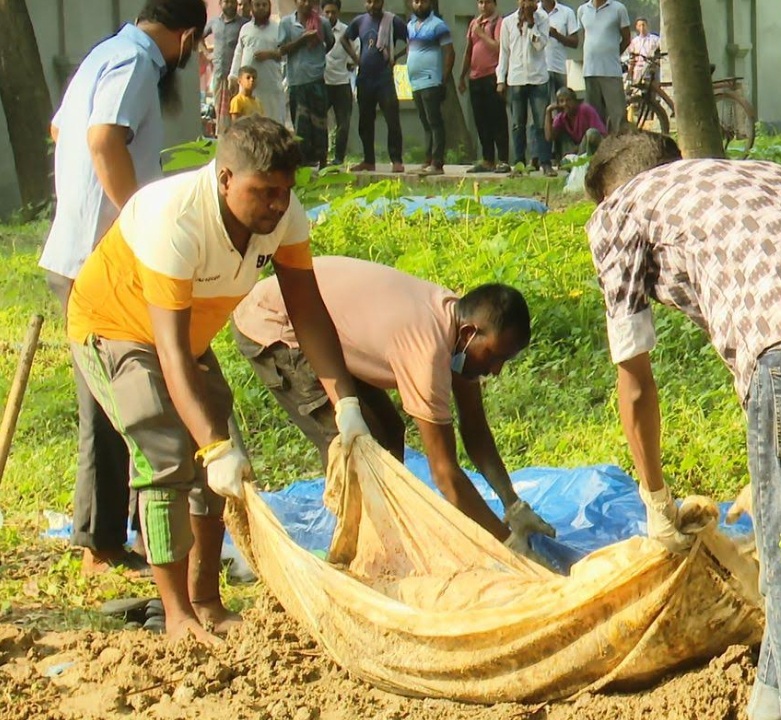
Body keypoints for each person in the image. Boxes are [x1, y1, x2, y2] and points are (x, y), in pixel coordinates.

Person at [584, 132, 781, 720]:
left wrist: (655, 499)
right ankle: (768, 708)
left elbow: (633, 379)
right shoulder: (765, 175)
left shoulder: (621, 209)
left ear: (611, 189)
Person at [67, 117, 370, 644]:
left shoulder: (283, 217)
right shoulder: (175, 217)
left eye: (284, 193)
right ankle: (176, 615)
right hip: (114, 328)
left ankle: (205, 598)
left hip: (187, 339)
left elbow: (308, 310)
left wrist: (344, 400)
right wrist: (209, 445)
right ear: (225, 177)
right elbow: (167, 351)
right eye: (264, 192)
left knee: (227, 462)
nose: (277, 206)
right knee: (167, 456)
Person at [231, 256, 557, 565]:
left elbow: (475, 431)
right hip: (277, 323)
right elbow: (446, 475)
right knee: (351, 447)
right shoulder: (427, 349)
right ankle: (355, 558)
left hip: (330, 322)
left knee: (388, 434)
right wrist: (509, 547)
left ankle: (382, 539)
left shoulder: (459, 332)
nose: (496, 370)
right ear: (470, 334)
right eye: (494, 356)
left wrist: (513, 505)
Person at [41, 0, 207, 578]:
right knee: (119, 403)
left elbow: (59, 127)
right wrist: (139, 220)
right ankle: (101, 544)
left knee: (123, 398)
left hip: (76, 249)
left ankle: (125, 531)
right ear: (186, 38)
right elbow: (104, 138)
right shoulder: (138, 65)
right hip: (100, 260)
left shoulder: (103, 53)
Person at [342, 0, 409, 173]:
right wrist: (356, 59)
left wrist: (396, 57)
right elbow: (344, 39)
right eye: (369, 1)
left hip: (384, 78)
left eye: (376, 1)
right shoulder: (359, 21)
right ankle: (368, 160)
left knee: (392, 119)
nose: (372, 5)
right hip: (364, 78)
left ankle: (396, 160)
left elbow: (411, 39)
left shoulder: (393, 21)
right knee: (365, 121)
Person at [497, 0, 555, 177]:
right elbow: (504, 52)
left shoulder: (543, 18)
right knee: (517, 124)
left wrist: (531, 23)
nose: (526, 3)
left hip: (538, 78)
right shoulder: (507, 22)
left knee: (540, 123)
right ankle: (519, 164)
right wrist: (501, 79)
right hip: (516, 78)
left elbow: (540, 45)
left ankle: (545, 162)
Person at [280, 0, 336, 166]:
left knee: (319, 122)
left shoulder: (322, 22)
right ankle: (302, 162)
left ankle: (322, 162)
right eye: (301, 0)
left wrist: (318, 58)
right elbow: (282, 50)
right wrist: (303, 39)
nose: (305, 4)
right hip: (296, 81)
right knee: (300, 124)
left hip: (316, 80)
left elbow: (330, 42)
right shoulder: (286, 23)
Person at [458, 0, 510, 174]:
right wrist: (462, 76)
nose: (483, 6)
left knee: (497, 119)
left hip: (492, 76)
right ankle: (488, 159)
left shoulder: (499, 22)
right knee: (481, 120)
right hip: (475, 77)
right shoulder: (474, 23)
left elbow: (498, 47)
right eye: (480, 2)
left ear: (494, 4)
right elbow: (468, 50)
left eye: (487, 2)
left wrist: (481, 33)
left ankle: (503, 159)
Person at [407, 0, 454, 176]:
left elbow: (450, 52)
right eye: (416, 1)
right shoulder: (410, 25)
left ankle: (437, 162)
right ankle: (427, 160)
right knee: (425, 122)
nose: (419, 5)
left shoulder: (438, 25)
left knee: (435, 122)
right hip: (415, 82)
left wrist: (444, 78)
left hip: (431, 80)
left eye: (423, 1)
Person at [230, 0, 288, 126]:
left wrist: (269, 55)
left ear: (269, 7)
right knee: (250, 125)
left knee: (273, 123)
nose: (261, 8)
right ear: (251, 7)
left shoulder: (277, 28)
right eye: (257, 5)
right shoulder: (245, 29)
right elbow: (238, 53)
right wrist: (233, 77)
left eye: (264, 5)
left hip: (271, 85)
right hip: (248, 87)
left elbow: (284, 55)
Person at [578, 0, 630, 132]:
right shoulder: (582, 10)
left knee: (618, 116)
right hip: (590, 71)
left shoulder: (618, 8)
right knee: (593, 117)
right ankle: (597, 149)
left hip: (611, 71)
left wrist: (612, 54)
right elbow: (584, 37)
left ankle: (621, 148)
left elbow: (626, 39)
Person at [202, 0, 248, 135]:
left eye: (232, 2)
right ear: (220, 4)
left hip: (236, 78)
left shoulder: (244, 24)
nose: (230, 5)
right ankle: (223, 140)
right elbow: (199, 36)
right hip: (219, 75)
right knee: (221, 114)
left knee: (237, 112)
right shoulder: (214, 22)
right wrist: (206, 54)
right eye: (226, 2)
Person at [322, 1, 356, 166]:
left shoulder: (347, 31)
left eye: (333, 12)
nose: (330, 16)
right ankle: (321, 157)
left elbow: (356, 52)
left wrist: (351, 62)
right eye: (327, 12)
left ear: (338, 12)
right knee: (320, 121)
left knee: (343, 123)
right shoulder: (317, 29)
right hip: (323, 82)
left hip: (342, 82)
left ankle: (339, 158)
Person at [546, 87, 606, 155]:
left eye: (568, 100)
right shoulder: (561, 117)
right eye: (561, 101)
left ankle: (578, 161)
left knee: (591, 132)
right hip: (576, 149)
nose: (565, 104)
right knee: (559, 134)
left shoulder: (585, 109)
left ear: (575, 101)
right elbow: (549, 137)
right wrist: (548, 111)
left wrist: (578, 148)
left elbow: (599, 134)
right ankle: (568, 161)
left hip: (593, 148)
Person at [541, 0, 579, 99]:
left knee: (561, 106)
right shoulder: (533, 12)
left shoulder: (567, 12)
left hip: (559, 68)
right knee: (542, 109)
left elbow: (575, 42)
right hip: (538, 70)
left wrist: (557, 35)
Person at [624, 16, 660, 86]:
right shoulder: (634, 41)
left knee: (653, 89)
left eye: (643, 25)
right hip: (638, 69)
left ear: (647, 26)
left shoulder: (655, 39)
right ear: (637, 27)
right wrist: (630, 72)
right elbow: (632, 57)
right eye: (640, 25)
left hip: (651, 68)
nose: (642, 27)